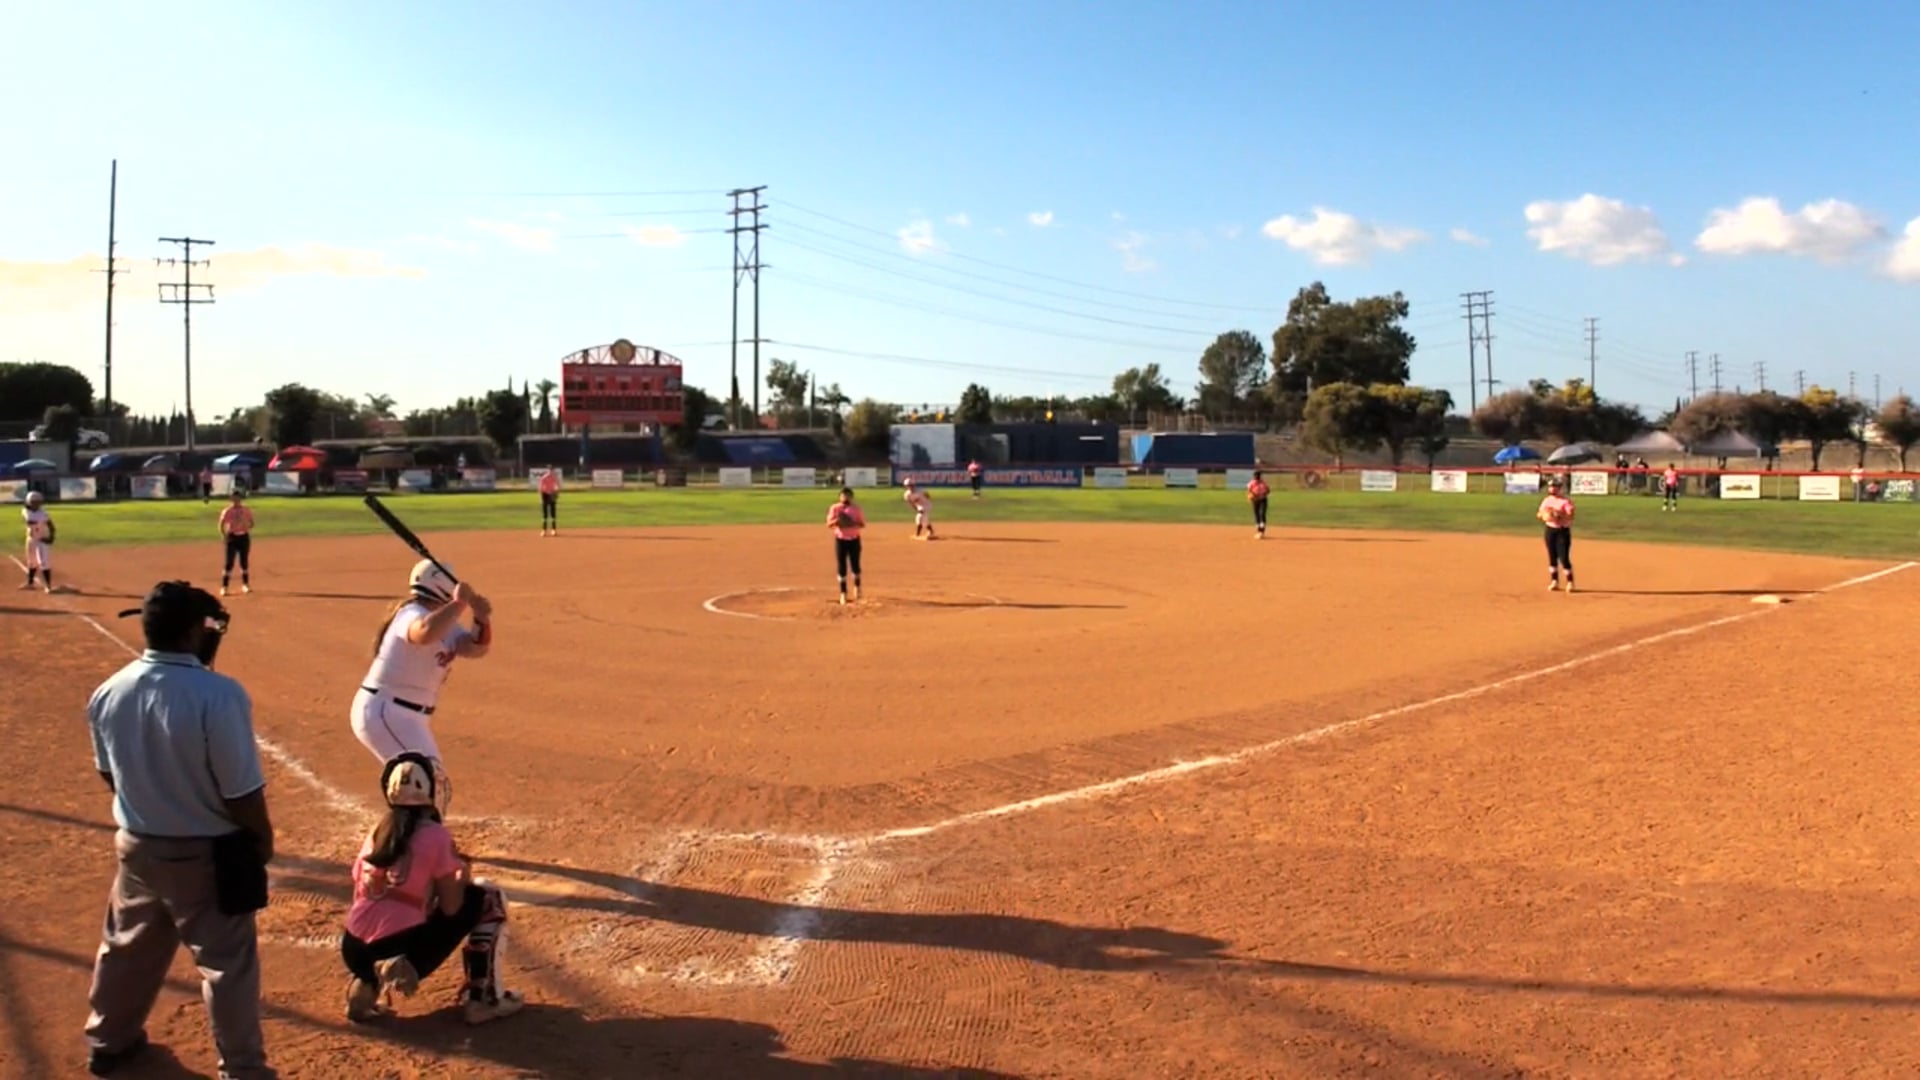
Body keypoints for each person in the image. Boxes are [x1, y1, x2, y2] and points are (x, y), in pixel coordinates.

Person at [83, 581, 277, 1079]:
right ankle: (243, 1069)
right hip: (207, 854)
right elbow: (240, 791)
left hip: (137, 846)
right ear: (192, 632)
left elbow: (110, 775)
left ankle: (109, 1042)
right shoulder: (218, 694)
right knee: (227, 964)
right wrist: (260, 839)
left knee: (126, 948)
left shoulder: (109, 691)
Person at [341, 753, 521, 1026]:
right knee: (485, 897)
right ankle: (483, 999)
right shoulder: (435, 835)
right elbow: (451, 907)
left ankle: (366, 982)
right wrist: (462, 875)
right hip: (399, 953)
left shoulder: (378, 830)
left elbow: (359, 889)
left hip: (352, 949)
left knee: (394, 906)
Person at [350, 560, 492, 815]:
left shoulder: (445, 623)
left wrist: (481, 619)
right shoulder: (411, 614)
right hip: (386, 712)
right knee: (424, 782)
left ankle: (412, 833)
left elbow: (476, 648)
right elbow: (424, 633)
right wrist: (459, 604)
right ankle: (411, 836)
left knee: (428, 782)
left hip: (409, 718)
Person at [1537, 477, 1576, 593]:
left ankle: (1570, 582)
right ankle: (1554, 581)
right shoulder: (1546, 500)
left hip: (1562, 532)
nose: (1552, 489)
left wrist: (1558, 515)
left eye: (1555, 487)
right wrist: (1544, 516)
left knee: (1564, 558)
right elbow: (1539, 514)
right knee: (1552, 556)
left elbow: (1571, 515)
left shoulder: (1565, 501)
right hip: (1550, 530)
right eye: (1551, 487)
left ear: (1559, 488)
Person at [827, 487, 866, 605]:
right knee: (841, 565)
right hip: (841, 540)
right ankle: (843, 592)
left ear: (851, 497)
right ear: (840, 497)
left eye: (848, 495)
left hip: (854, 539)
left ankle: (857, 587)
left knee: (855, 565)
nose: (845, 497)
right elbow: (829, 524)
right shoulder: (835, 508)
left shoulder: (856, 509)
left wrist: (851, 523)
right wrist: (837, 522)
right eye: (843, 495)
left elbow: (862, 524)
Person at [219, 490, 255, 597]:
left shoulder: (246, 510)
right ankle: (224, 587)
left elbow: (252, 523)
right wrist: (224, 535)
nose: (235, 500)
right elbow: (221, 524)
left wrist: (246, 524)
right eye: (233, 498)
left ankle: (245, 585)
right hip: (232, 537)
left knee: (244, 562)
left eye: (237, 498)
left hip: (243, 537)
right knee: (229, 563)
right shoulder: (227, 511)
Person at [21, 489, 54, 593]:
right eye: (33, 502)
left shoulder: (43, 513)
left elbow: (52, 526)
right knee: (31, 562)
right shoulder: (25, 511)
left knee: (44, 562)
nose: (36, 504)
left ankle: (48, 586)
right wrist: (40, 521)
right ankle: (30, 583)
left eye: (37, 502)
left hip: (41, 539)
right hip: (31, 539)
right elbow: (29, 521)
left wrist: (51, 537)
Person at [1246, 470, 1271, 540]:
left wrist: (1265, 494)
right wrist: (1250, 496)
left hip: (1263, 500)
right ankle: (1258, 531)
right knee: (1256, 515)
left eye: (1258, 475)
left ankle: (1262, 531)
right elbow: (1249, 490)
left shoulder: (1263, 483)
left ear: (1260, 476)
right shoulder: (1251, 483)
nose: (1256, 477)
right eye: (1255, 475)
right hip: (1255, 500)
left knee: (1262, 514)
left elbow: (1268, 490)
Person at [538, 468, 560, 537]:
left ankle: (553, 529)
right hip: (545, 494)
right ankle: (544, 530)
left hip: (551, 494)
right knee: (545, 514)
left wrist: (556, 493)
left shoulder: (554, 477)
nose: (550, 472)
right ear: (547, 471)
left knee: (553, 513)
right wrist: (541, 498)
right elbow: (540, 488)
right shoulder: (544, 478)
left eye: (551, 470)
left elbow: (557, 486)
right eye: (549, 470)